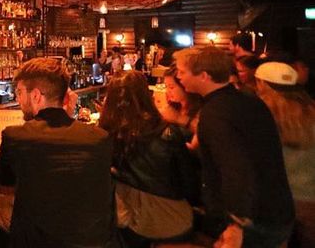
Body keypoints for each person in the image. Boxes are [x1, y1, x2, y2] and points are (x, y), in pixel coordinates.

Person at [174, 46, 294, 247]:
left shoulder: (215, 114)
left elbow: (237, 169)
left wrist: (236, 224)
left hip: (254, 221)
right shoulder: (247, 99)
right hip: (277, 209)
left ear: (204, 76)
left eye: (182, 72)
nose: (179, 77)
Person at [0, 57, 117, 247]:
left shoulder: (16, 137)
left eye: (19, 92)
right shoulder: (99, 138)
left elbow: (5, 180)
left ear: (36, 96)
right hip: (93, 241)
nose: (17, 99)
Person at [99, 71, 197, 246]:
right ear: (147, 95)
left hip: (127, 222)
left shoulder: (103, 135)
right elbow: (189, 185)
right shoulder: (168, 133)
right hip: (170, 219)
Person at [254, 62, 315, 248]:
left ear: (262, 84)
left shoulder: (259, 114)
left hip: (275, 201)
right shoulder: (312, 110)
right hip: (310, 198)